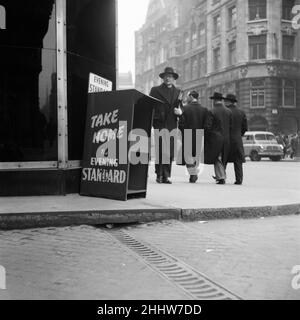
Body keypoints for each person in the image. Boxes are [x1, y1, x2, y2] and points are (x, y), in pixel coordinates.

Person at [149, 67, 182, 184]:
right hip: (160, 123)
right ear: (163, 78)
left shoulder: (178, 92)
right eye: (166, 76)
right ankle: (159, 174)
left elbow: (179, 107)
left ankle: (166, 176)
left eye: (170, 76)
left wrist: (180, 112)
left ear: (173, 79)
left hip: (172, 124)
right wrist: (152, 122)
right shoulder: (155, 90)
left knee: (170, 151)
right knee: (161, 150)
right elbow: (150, 106)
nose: (168, 78)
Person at [178, 90, 209, 183]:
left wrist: (182, 131)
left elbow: (181, 123)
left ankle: (193, 174)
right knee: (195, 156)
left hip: (188, 133)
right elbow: (206, 124)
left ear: (191, 96)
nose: (187, 98)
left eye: (188, 96)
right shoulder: (204, 109)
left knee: (188, 156)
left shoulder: (185, 108)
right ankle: (193, 174)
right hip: (199, 134)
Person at [224, 93, 248, 185]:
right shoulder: (241, 112)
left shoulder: (225, 111)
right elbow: (245, 128)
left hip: (226, 139)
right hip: (237, 139)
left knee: (224, 160)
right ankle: (239, 179)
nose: (224, 102)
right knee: (238, 161)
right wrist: (238, 134)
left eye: (225, 100)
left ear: (228, 101)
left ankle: (222, 178)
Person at [209, 92, 232, 185]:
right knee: (223, 157)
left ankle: (221, 177)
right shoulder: (228, 111)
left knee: (217, 158)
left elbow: (208, 126)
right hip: (226, 137)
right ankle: (220, 175)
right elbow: (231, 126)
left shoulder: (212, 111)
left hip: (216, 138)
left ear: (214, 100)